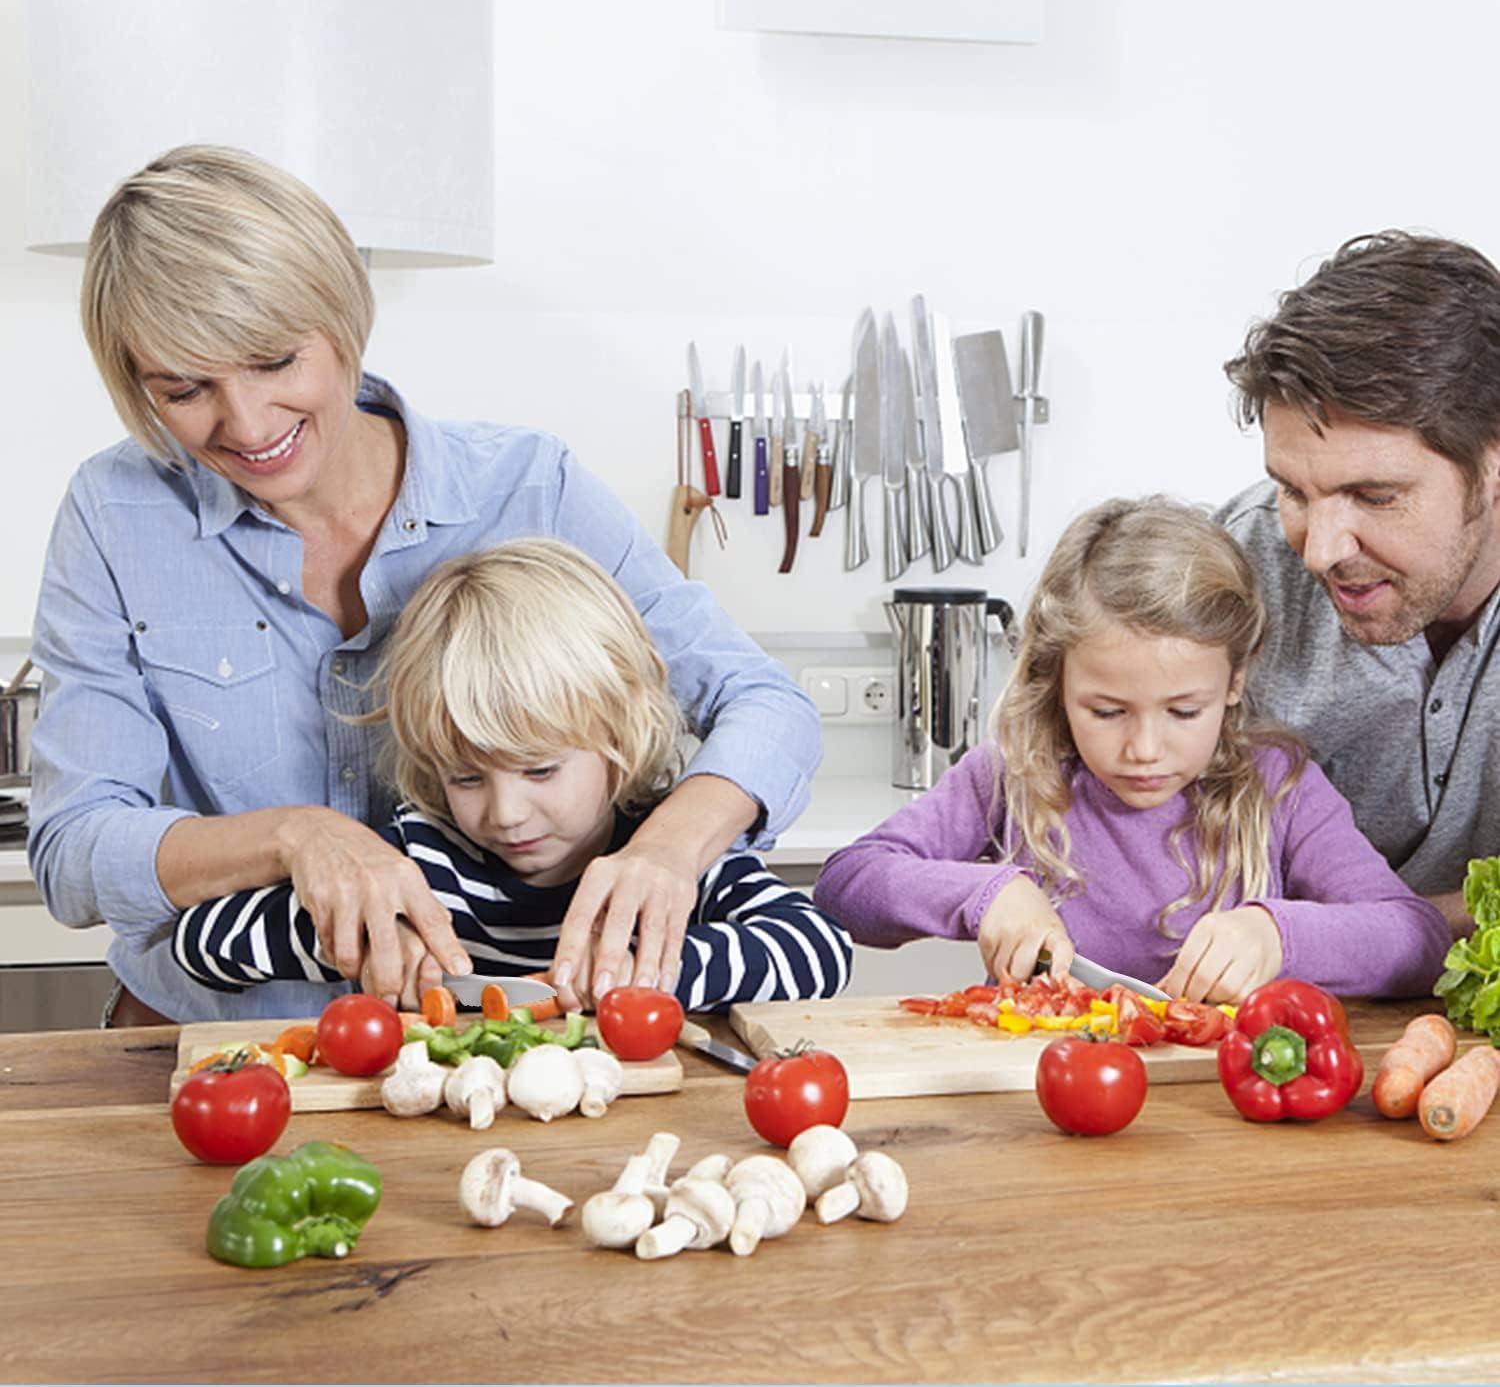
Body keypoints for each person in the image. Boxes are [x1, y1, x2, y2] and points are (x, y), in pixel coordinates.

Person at [27, 144, 822, 1026]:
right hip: (216, 1047)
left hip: (479, 1062)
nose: (246, 424)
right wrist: (297, 838)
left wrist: (671, 848)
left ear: (344, 320)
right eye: (184, 390)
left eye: (276, 362)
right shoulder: (115, 515)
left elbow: (763, 702)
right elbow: (72, 851)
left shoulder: (530, 489)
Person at [813, 496, 1451, 1005]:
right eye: (1107, 711)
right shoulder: (1016, 773)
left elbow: (1416, 939)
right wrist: (986, 894)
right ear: (1058, 679)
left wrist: (1277, 935)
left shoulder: (1279, 784)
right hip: (1044, 1097)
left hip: (1224, 1112)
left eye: (1183, 712)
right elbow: (846, 886)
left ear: (1234, 681)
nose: (1144, 749)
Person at [171, 539, 851, 1011]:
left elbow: (820, 950)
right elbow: (201, 944)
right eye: (467, 779)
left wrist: (643, 974)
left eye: (540, 769)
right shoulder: (421, 865)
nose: (505, 814)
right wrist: (368, 939)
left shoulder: (669, 868)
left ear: (619, 737)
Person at [1219, 230, 1500, 930]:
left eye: (1374, 496)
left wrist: (1368, 936)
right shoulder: (1228, 573)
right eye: (1293, 490)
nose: (1320, 549)